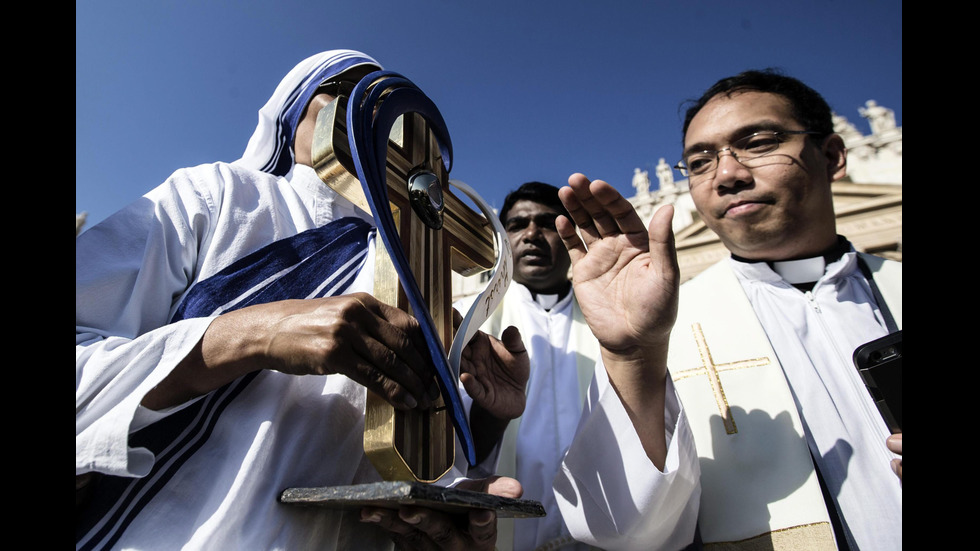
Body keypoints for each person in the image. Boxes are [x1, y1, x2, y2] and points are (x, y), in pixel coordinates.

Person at [76, 49, 529, 551]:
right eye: (346, 90)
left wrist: (487, 424)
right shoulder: (219, 197)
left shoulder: (421, 273)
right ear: (290, 116)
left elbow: (418, 471)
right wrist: (251, 335)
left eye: (388, 103)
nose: (371, 110)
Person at [555, 69, 901, 550]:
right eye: (699, 162)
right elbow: (621, 532)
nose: (727, 175)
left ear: (832, 156)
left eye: (759, 142)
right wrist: (634, 355)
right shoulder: (665, 327)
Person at [456, 181, 698, 551]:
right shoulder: (468, 322)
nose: (532, 235)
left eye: (548, 223)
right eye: (518, 225)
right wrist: (493, 414)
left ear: (573, 234)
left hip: (617, 532)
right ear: (501, 238)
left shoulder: (621, 312)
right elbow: (450, 453)